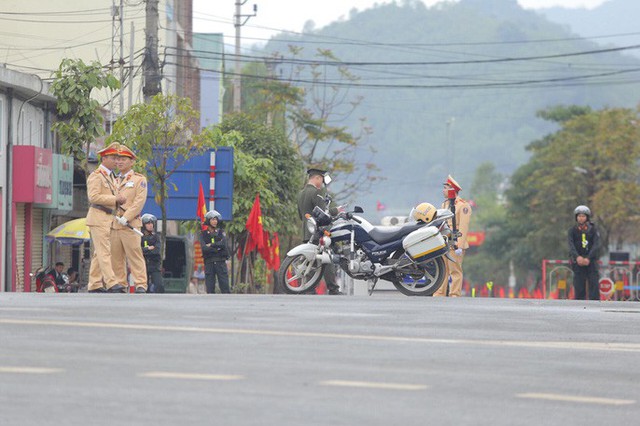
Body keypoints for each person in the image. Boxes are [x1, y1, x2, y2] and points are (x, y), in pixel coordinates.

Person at [86, 142, 127, 293]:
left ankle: (95, 283)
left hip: (107, 217)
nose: (116, 161)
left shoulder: (110, 176)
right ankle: (111, 282)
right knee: (104, 251)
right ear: (104, 158)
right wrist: (115, 199)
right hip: (98, 216)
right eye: (113, 158)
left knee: (99, 253)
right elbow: (93, 197)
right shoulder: (96, 176)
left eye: (117, 158)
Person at [297, 167, 343, 295]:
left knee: (311, 261)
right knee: (327, 260)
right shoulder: (317, 193)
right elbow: (324, 215)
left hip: (307, 233)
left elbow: (301, 215)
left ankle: (309, 288)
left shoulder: (300, 194)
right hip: (318, 232)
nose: (322, 183)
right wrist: (336, 211)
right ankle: (333, 288)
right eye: (321, 179)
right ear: (317, 178)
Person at [111, 144, 149, 293]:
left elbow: (139, 202)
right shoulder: (112, 179)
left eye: (124, 159)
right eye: (118, 159)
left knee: (135, 255)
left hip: (130, 223)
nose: (120, 162)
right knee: (116, 257)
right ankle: (120, 284)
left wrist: (126, 217)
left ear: (132, 161)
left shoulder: (139, 179)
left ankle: (140, 284)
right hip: (114, 223)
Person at [434, 175, 472, 297]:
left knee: (455, 270)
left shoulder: (463, 206)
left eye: (446, 188)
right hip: (444, 241)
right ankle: (439, 292)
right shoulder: (444, 205)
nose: (443, 190)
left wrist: (459, 245)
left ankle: (454, 294)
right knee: (442, 270)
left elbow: (463, 227)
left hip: (455, 242)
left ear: (452, 190)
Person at [568, 205, 600, 300]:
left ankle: (594, 305)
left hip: (590, 261)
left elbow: (596, 244)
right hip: (578, 261)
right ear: (576, 217)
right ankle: (579, 305)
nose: (581, 218)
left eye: (583, 216)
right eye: (579, 216)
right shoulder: (572, 230)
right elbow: (571, 245)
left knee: (594, 283)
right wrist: (577, 257)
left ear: (587, 217)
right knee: (579, 285)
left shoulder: (593, 230)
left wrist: (589, 258)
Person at [200, 210, 230, 294]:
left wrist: (212, 245)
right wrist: (217, 248)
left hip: (220, 262)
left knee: (225, 288)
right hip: (209, 263)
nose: (215, 221)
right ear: (208, 220)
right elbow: (204, 248)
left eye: (216, 219)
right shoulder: (203, 234)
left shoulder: (221, 232)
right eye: (212, 219)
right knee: (210, 289)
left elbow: (223, 244)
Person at [141, 213, 165, 293]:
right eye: (148, 223)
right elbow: (137, 250)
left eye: (152, 223)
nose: (151, 225)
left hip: (155, 265)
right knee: (143, 288)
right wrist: (148, 248)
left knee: (159, 286)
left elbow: (156, 251)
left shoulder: (156, 237)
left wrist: (145, 250)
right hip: (143, 266)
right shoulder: (139, 237)